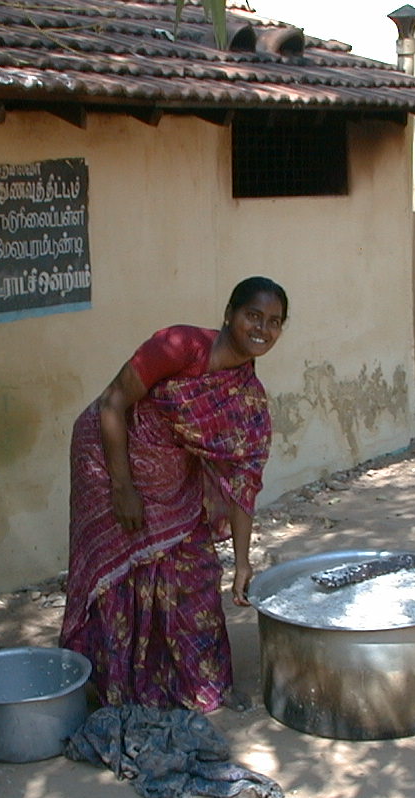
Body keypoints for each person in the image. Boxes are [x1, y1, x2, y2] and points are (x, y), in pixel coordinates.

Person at [60, 277, 288, 712]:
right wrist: (122, 488)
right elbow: (111, 404)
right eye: (253, 316)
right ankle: (119, 690)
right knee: (122, 576)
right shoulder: (179, 345)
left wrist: (242, 562)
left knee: (194, 571)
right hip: (108, 457)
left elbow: (243, 480)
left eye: (274, 322)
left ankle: (200, 686)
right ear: (229, 315)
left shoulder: (246, 396)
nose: (262, 329)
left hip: (172, 476)